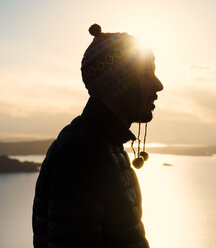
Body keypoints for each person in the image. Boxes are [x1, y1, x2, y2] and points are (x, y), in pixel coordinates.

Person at [32, 24, 163, 248]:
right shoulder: (81, 155)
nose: (158, 86)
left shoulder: (105, 145)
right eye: (145, 74)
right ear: (119, 85)